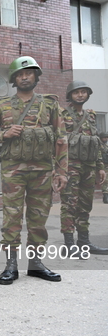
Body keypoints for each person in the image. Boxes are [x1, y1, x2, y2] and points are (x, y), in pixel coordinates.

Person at [0, 56, 68, 285]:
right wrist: (5, 134)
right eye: (20, 74)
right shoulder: (2, 106)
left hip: (43, 170)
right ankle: (11, 265)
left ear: (35, 76)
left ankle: (36, 263)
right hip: (14, 171)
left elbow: (60, 139)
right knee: (12, 217)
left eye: (28, 73)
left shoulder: (50, 105)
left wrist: (62, 172)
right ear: (14, 79)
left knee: (38, 217)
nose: (24, 76)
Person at [60, 81, 107, 256]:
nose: (80, 95)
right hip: (70, 167)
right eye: (76, 92)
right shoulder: (62, 114)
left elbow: (96, 143)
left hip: (89, 166)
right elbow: (57, 143)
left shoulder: (91, 116)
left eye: (83, 92)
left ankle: (84, 242)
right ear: (70, 95)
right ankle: (69, 244)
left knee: (85, 204)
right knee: (69, 204)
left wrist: (100, 167)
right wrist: (58, 169)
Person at [100, 132, 108, 204]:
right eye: (104, 137)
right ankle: (105, 197)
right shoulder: (99, 145)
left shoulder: (105, 145)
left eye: (106, 138)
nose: (106, 139)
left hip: (106, 164)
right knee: (105, 180)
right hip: (102, 165)